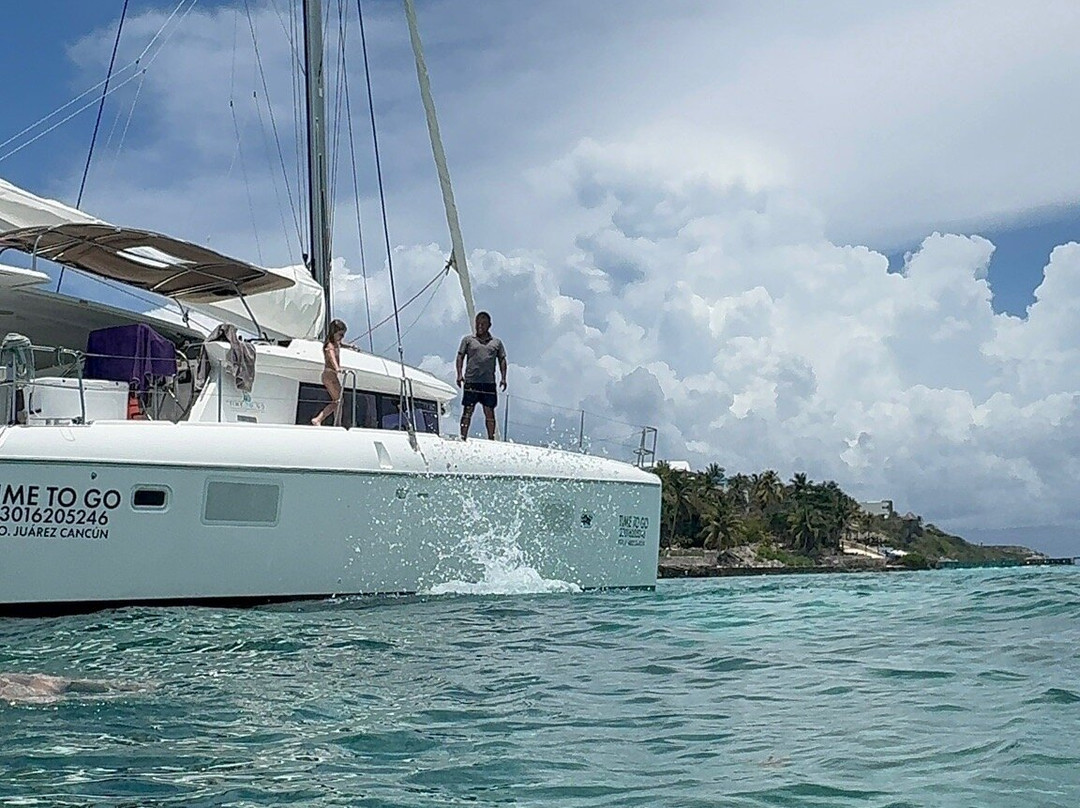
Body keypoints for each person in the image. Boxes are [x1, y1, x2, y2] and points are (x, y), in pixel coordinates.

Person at [456, 311, 507, 440]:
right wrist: (459, 374)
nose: (480, 326)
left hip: (488, 383)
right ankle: (462, 437)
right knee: (468, 410)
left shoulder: (496, 343)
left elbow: (502, 359)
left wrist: (503, 378)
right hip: (471, 381)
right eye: (478, 323)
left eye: (483, 324)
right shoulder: (468, 340)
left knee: (489, 412)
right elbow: (460, 356)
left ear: (489, 325)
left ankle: (491, 438)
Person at [312, 318, 347, 426]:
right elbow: (331, 357)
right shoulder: (329, 346)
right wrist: (337, 368)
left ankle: (337, 423)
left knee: (338, 401)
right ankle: (319, 419)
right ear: (334, 333)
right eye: (340, 335)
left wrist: (351, 347)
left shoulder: (335, 343)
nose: (342, 337)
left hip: (331, 375)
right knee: (338, 401)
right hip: (329, 375)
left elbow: (341, 345)